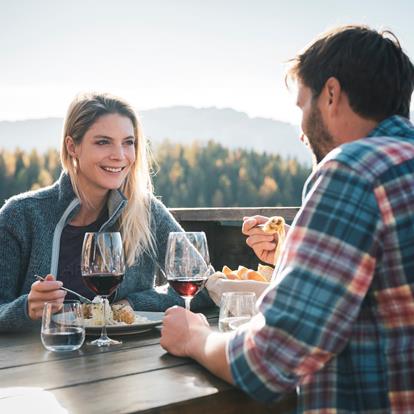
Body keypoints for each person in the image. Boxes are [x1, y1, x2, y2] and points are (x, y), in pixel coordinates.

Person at [160, 25, 414, 412]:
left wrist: (193, 338)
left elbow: (268, 361)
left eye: (302, 106)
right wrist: (294, 251)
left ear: (330, 94)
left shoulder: (352, 170)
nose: (300, 132)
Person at [0, 92, 212, 332]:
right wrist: (26, 308)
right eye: (103, 142)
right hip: (37, 362)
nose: (119, 155)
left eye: (128, 142)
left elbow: (206, 284)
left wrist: (134, 304)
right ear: (73, 146)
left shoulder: (145, 211)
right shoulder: (21, 216)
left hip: (129, 363)